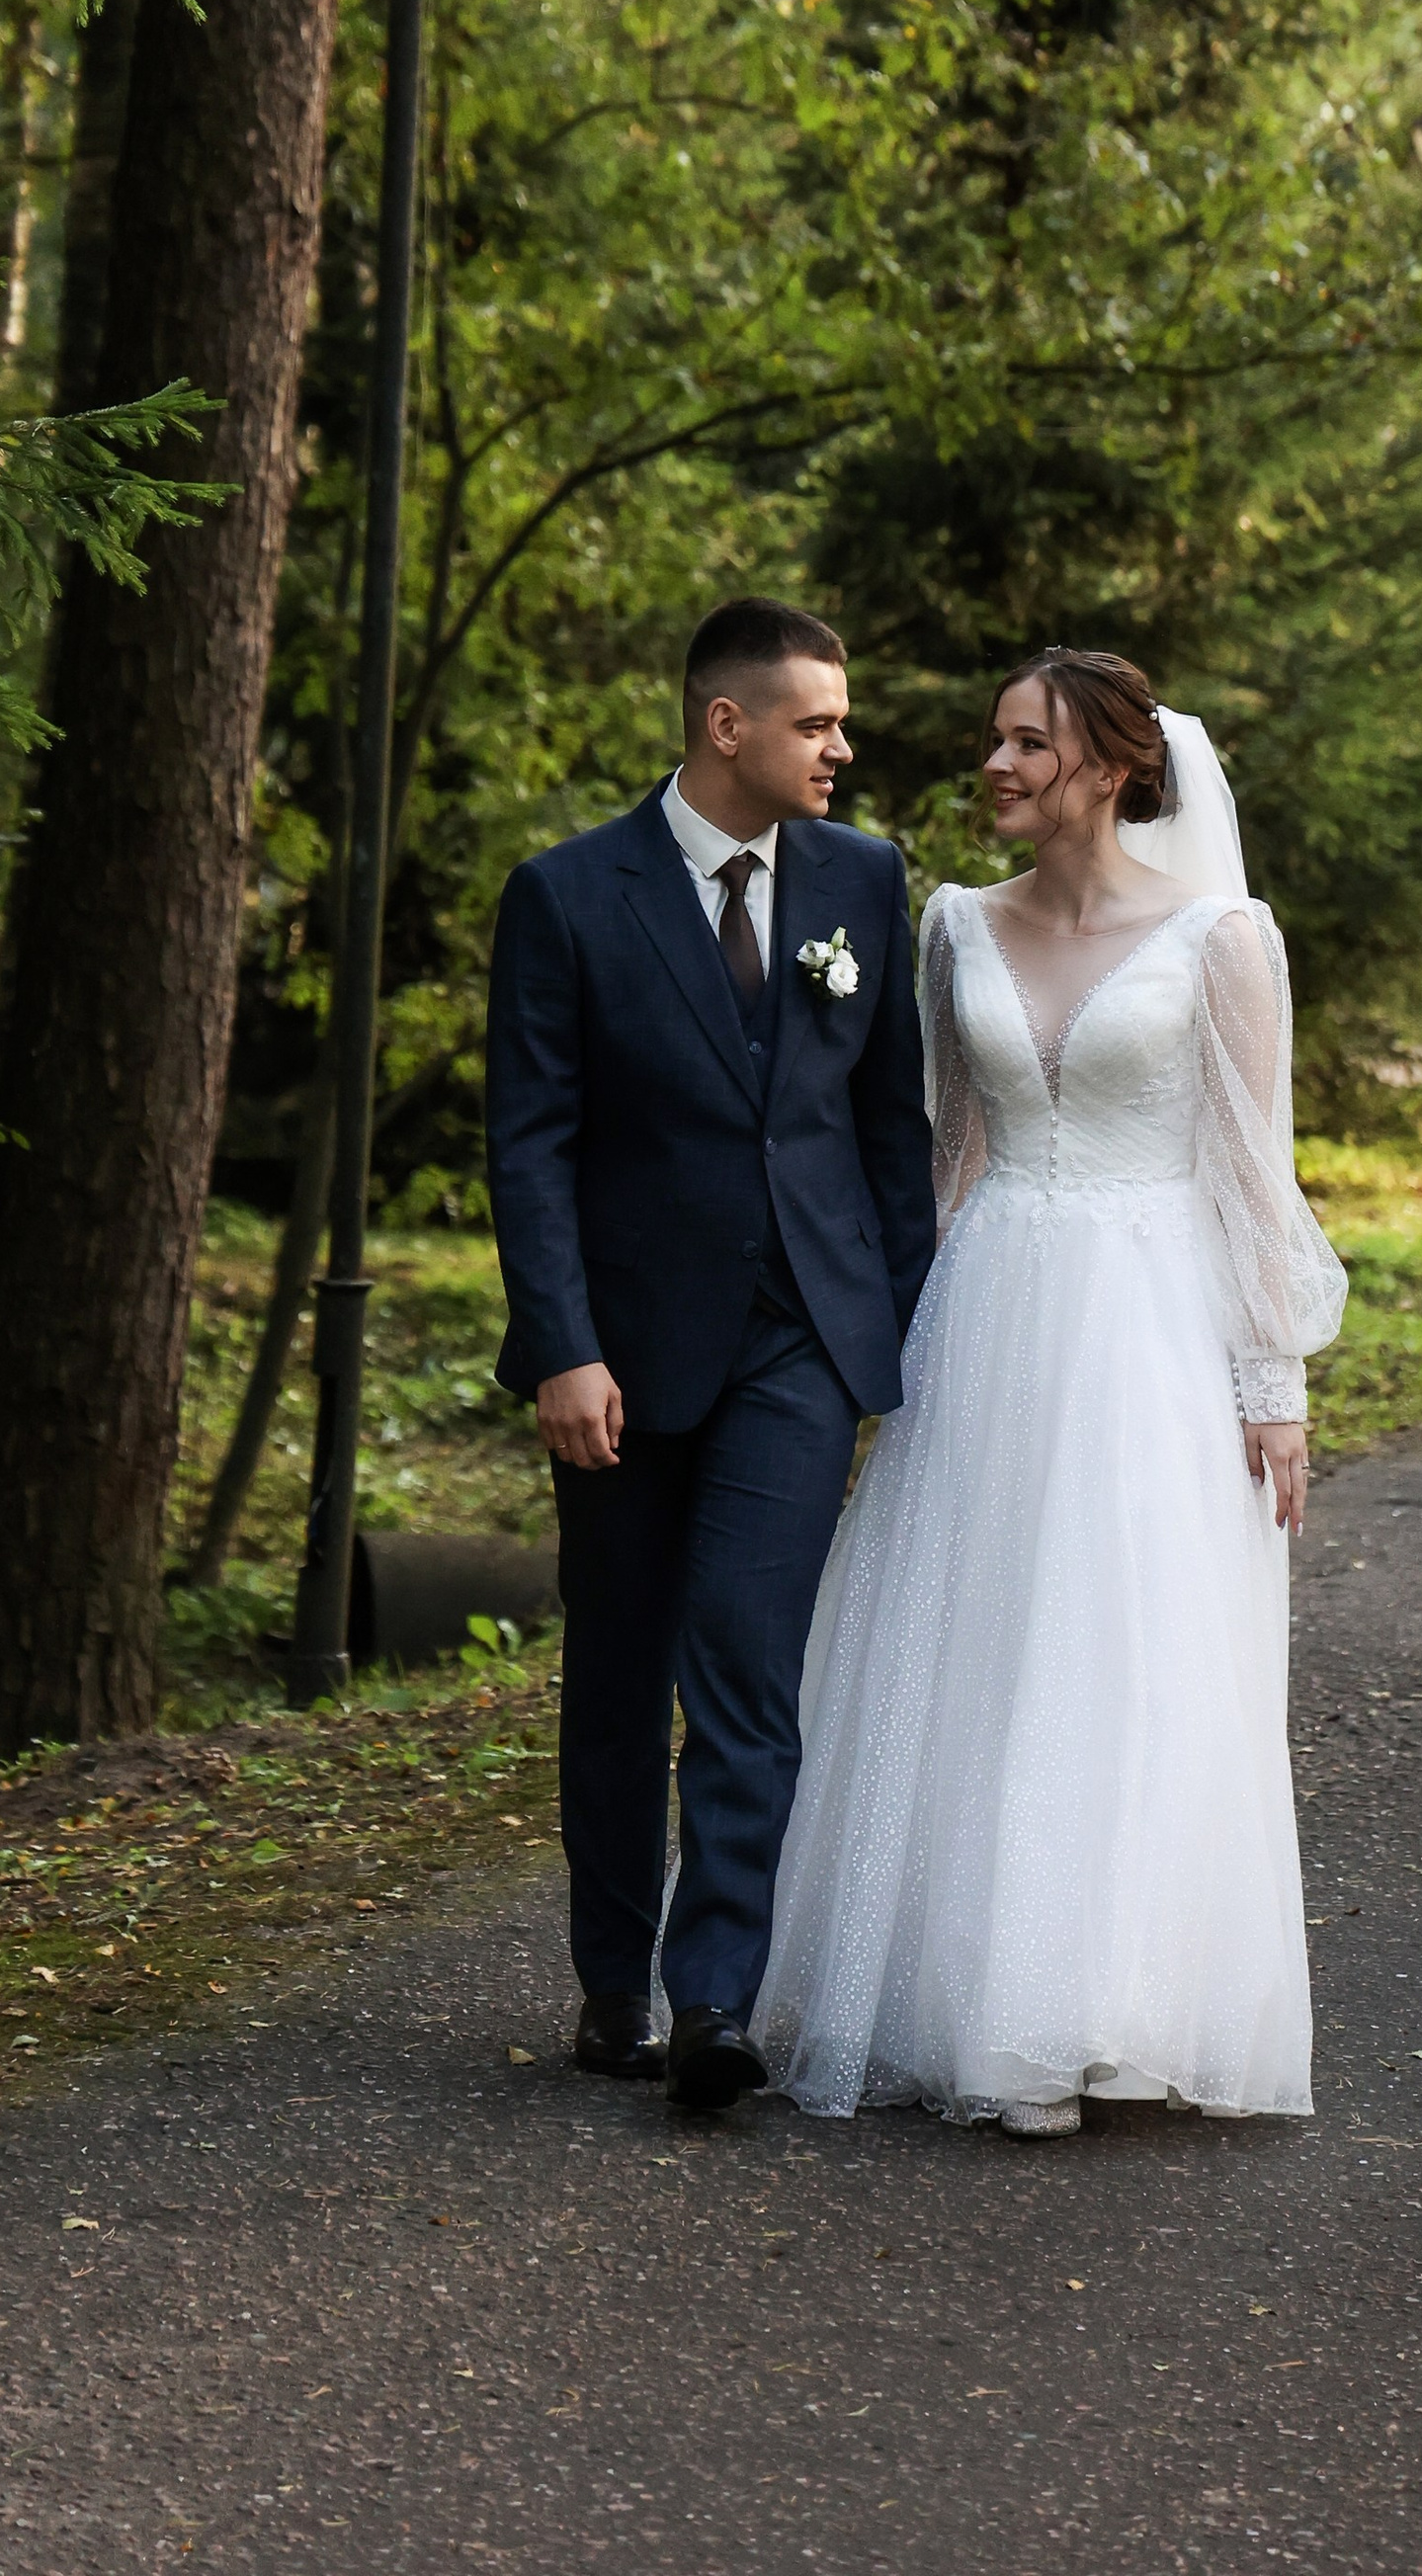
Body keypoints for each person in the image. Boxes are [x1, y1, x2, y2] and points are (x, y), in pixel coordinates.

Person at [754, 647, 1346, 2134]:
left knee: (1124, 1651)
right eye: (997, 741)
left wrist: (1270, 1383)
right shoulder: (956, 928)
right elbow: (946, 1154)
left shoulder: (1223, 939)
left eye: (1028, 743)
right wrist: (891, 1349)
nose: (998, 765)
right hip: (993, 1308)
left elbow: (1248, 1168)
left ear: (1113, 766)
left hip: (1153, 1325)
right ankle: (980, 2006)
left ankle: (1098, 2007)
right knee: (982, 1641)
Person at [485, 598, 937, 2110]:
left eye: (842, 720)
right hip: (621, 1353)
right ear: (724, 726)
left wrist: (904, 1322)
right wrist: (563, 1348)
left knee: (746, 1658)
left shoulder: (864, 881)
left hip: (800, 1338)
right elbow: (530, 1147)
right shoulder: (565, 896)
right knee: (617, 1672)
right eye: (816, 722)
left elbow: (889, 1130)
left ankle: (716, 2003)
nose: (842, 747)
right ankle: (613, 1977)